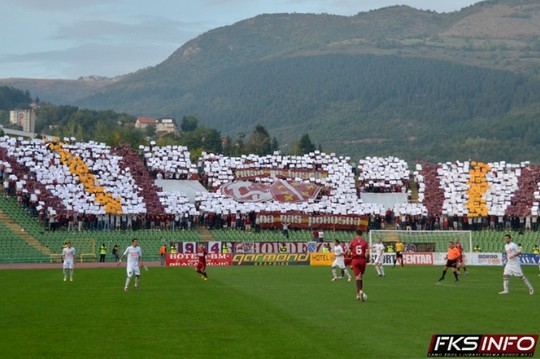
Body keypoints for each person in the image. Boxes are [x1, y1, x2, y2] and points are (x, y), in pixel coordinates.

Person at [349, 229, 369, 301]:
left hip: (355, 260)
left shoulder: (352, 242)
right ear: (362, 234)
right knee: (360, 277)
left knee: (358, 277)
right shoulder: (365, 242)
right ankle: (358, 294)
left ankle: (360, 291)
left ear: (356, 234)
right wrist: (367, 259)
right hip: (362, 260)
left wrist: (350, 263)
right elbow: (367, 253)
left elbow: (349, 252)